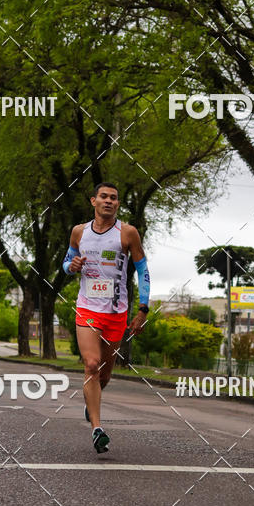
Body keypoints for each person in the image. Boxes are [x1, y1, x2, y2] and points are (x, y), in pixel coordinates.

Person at [62, 182, 150, 453]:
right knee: (91, 364)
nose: (109, 201)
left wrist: (143, 308)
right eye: (104, 197)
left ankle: (92, 401)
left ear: (117, 204)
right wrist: (71, 266)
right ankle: (97, 429)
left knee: (105, 373)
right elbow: (67, 262)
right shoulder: (79, 232)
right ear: (93, 201)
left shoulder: (128, 233)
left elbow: (143, 268)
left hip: (116, 312)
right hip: (87, 308)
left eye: (114, 197)